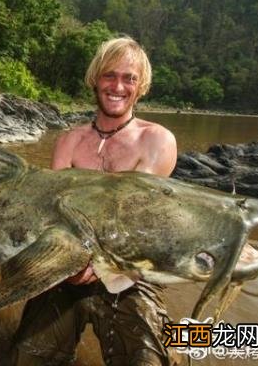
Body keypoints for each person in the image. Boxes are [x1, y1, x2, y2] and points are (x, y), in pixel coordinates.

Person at [12, 37, 183, 366]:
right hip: (66, 271)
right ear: (95, 79)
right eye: (109, 75)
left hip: (130, 276)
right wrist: (69, 264)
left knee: (151, 361)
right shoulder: (69, 141)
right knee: (24, 357)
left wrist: (97, 262)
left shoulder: (157, 140)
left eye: (129, 78)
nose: (118, 86)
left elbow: (134, 220)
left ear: (141, 86)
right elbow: (53, 216)